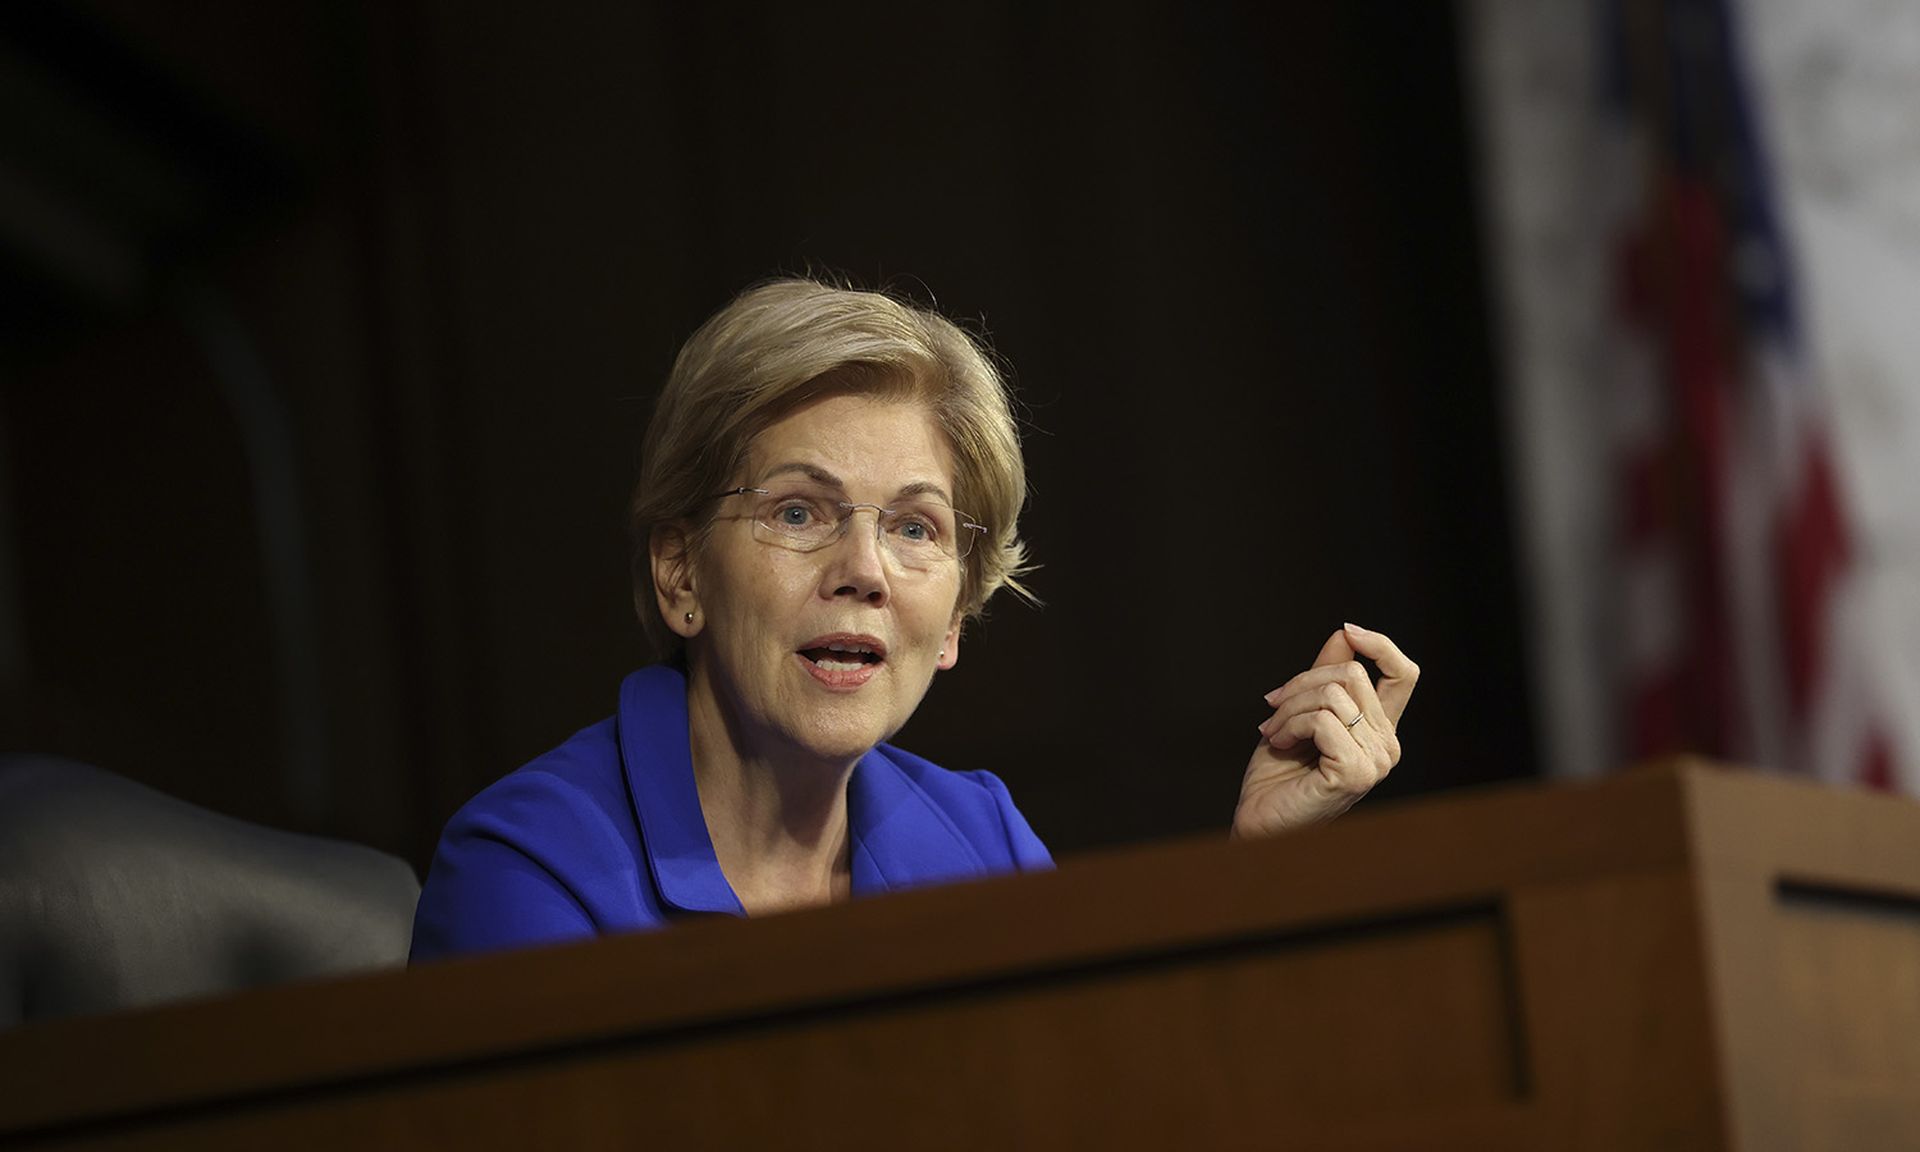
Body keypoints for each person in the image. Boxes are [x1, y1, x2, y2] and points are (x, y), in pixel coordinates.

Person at [409, 279, 1418, 961]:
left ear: (952, 626)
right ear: (682, 575)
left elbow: (1115, 1105)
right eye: (798, 512)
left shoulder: (978, 839)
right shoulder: (528, 870)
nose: (864, 572)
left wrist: (1263, 866)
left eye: (915, 527)